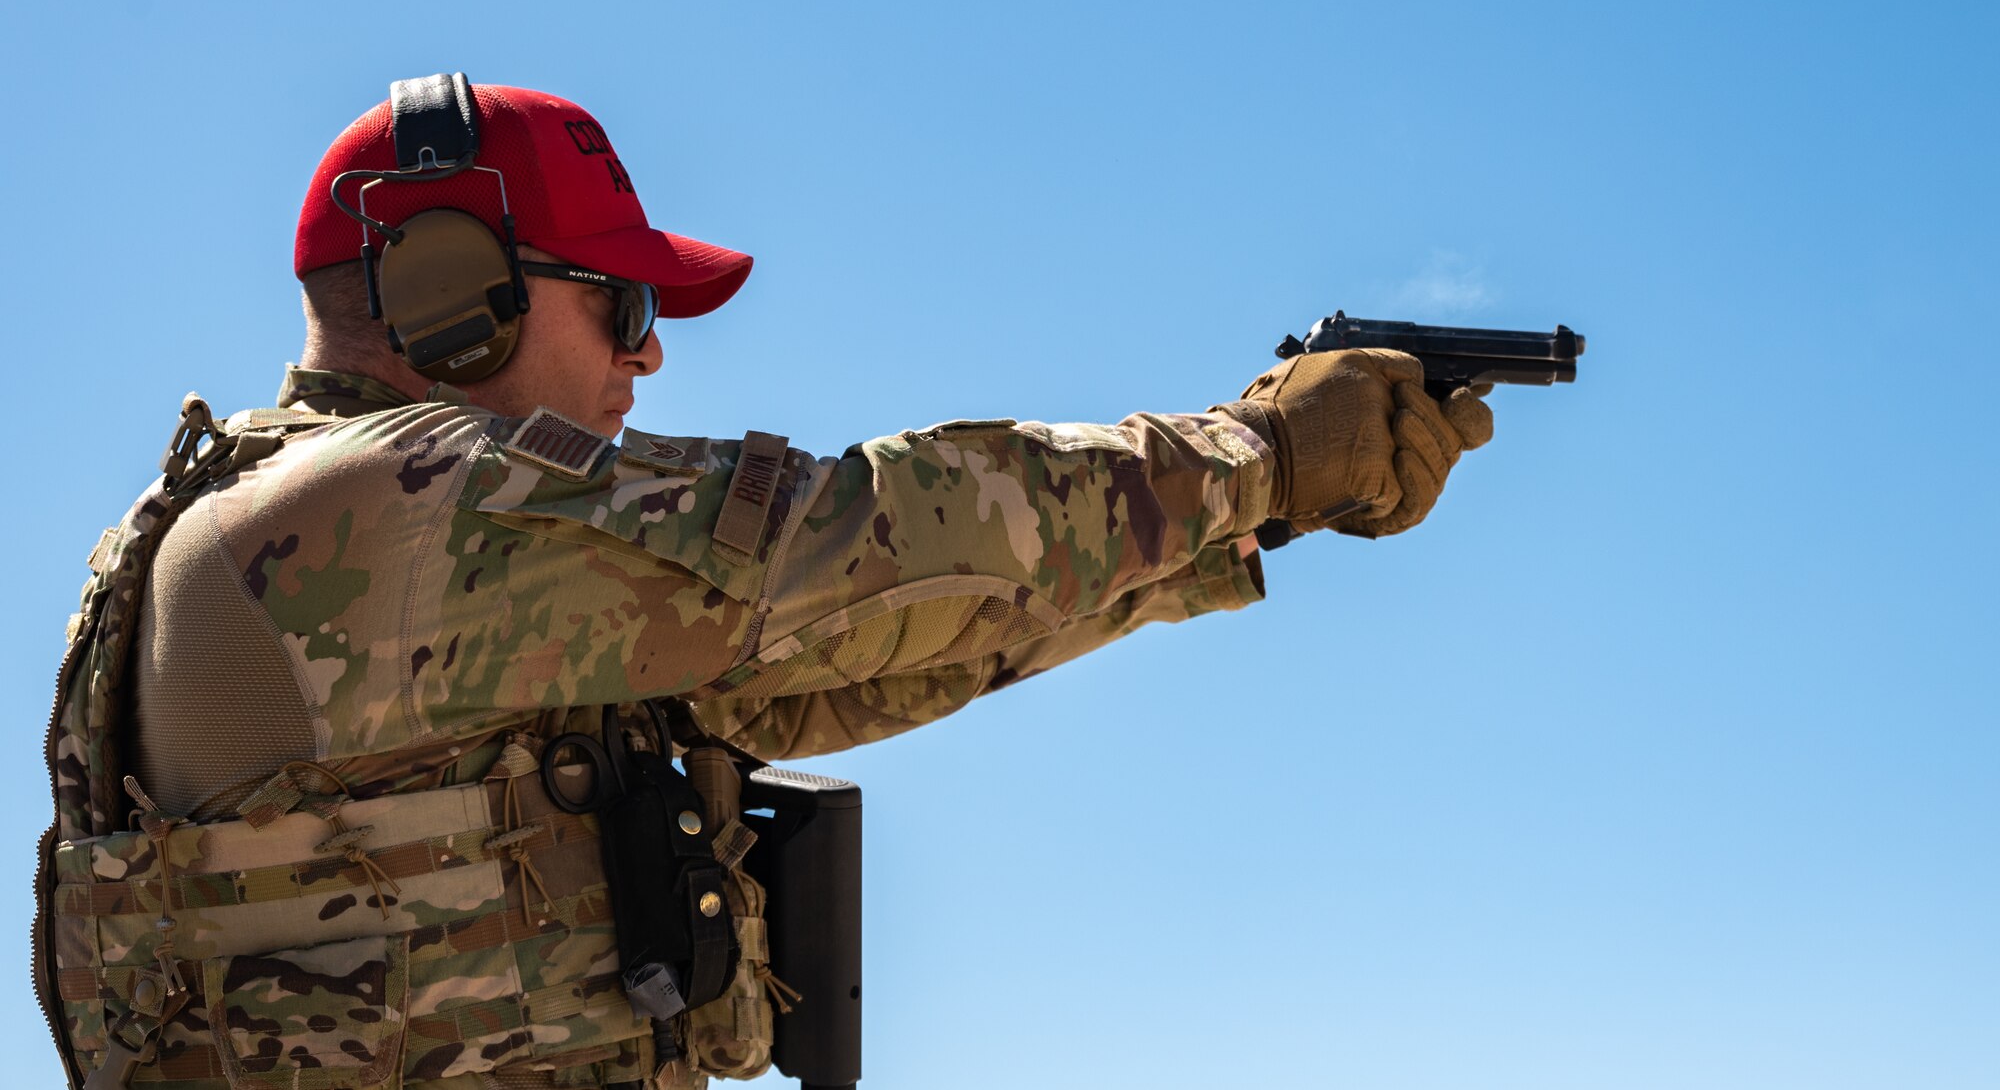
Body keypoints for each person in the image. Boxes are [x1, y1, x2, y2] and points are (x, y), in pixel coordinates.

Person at [36, 77, 1493, 1090]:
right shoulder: (392, 508)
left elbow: (841, 657)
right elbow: (864, 541)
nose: (645, 354)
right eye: (622, 299)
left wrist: (1249, 523)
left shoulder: (319, 539)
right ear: (448, 288)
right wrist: (1259, 453)